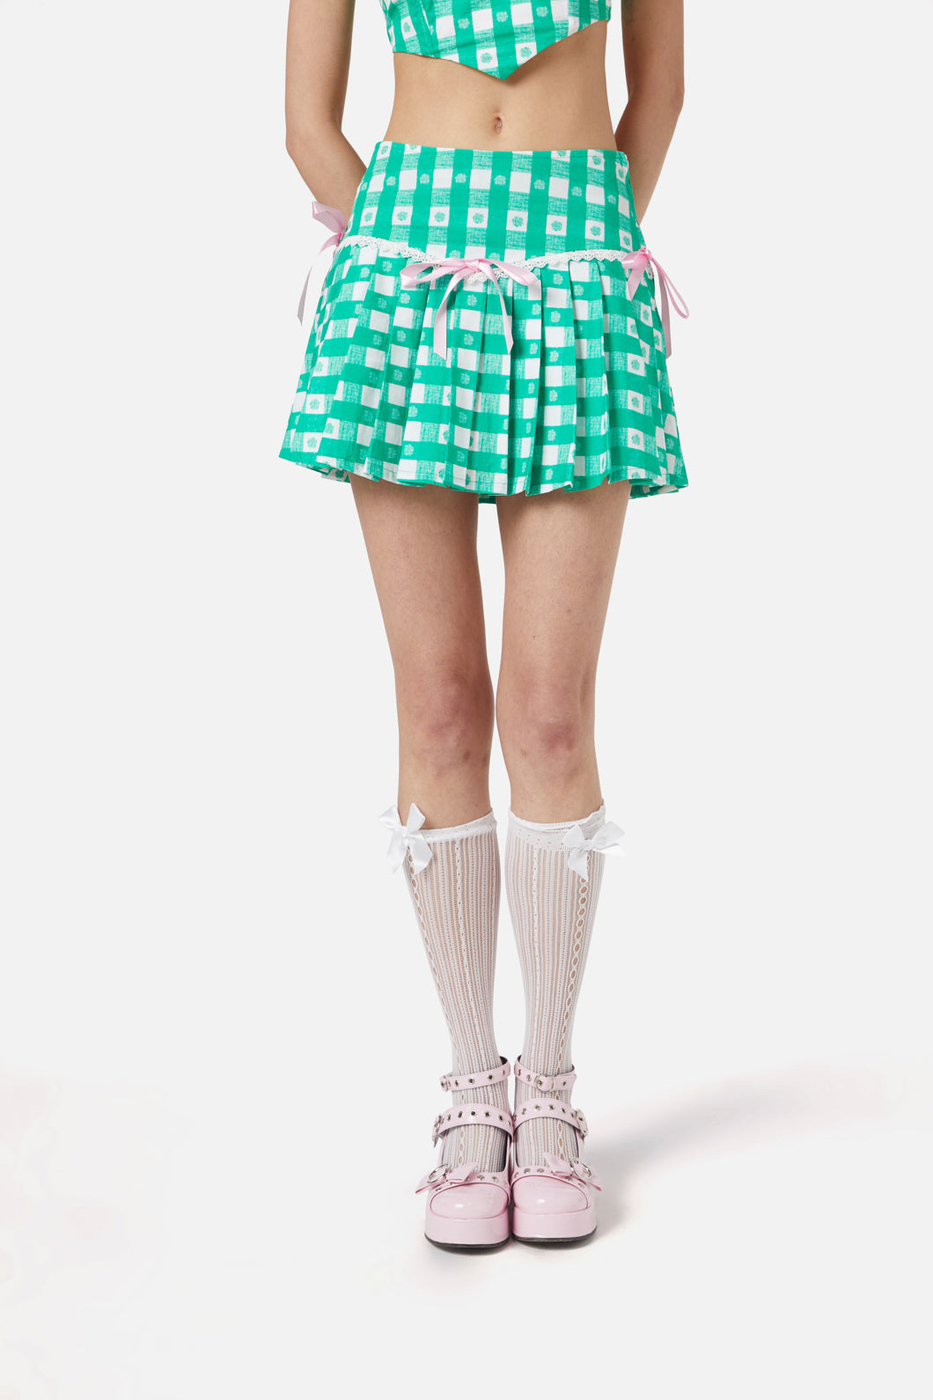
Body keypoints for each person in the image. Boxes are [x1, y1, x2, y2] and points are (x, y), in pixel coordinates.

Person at [280, 0, 688, 1248]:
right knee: (441, 705)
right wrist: (394, 239)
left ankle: (548, 1092)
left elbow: (660, 91)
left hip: (579, 265)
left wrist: (588, 239)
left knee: (551, 713)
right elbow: (306, 121)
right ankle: (472, 1091)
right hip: (407, 274)